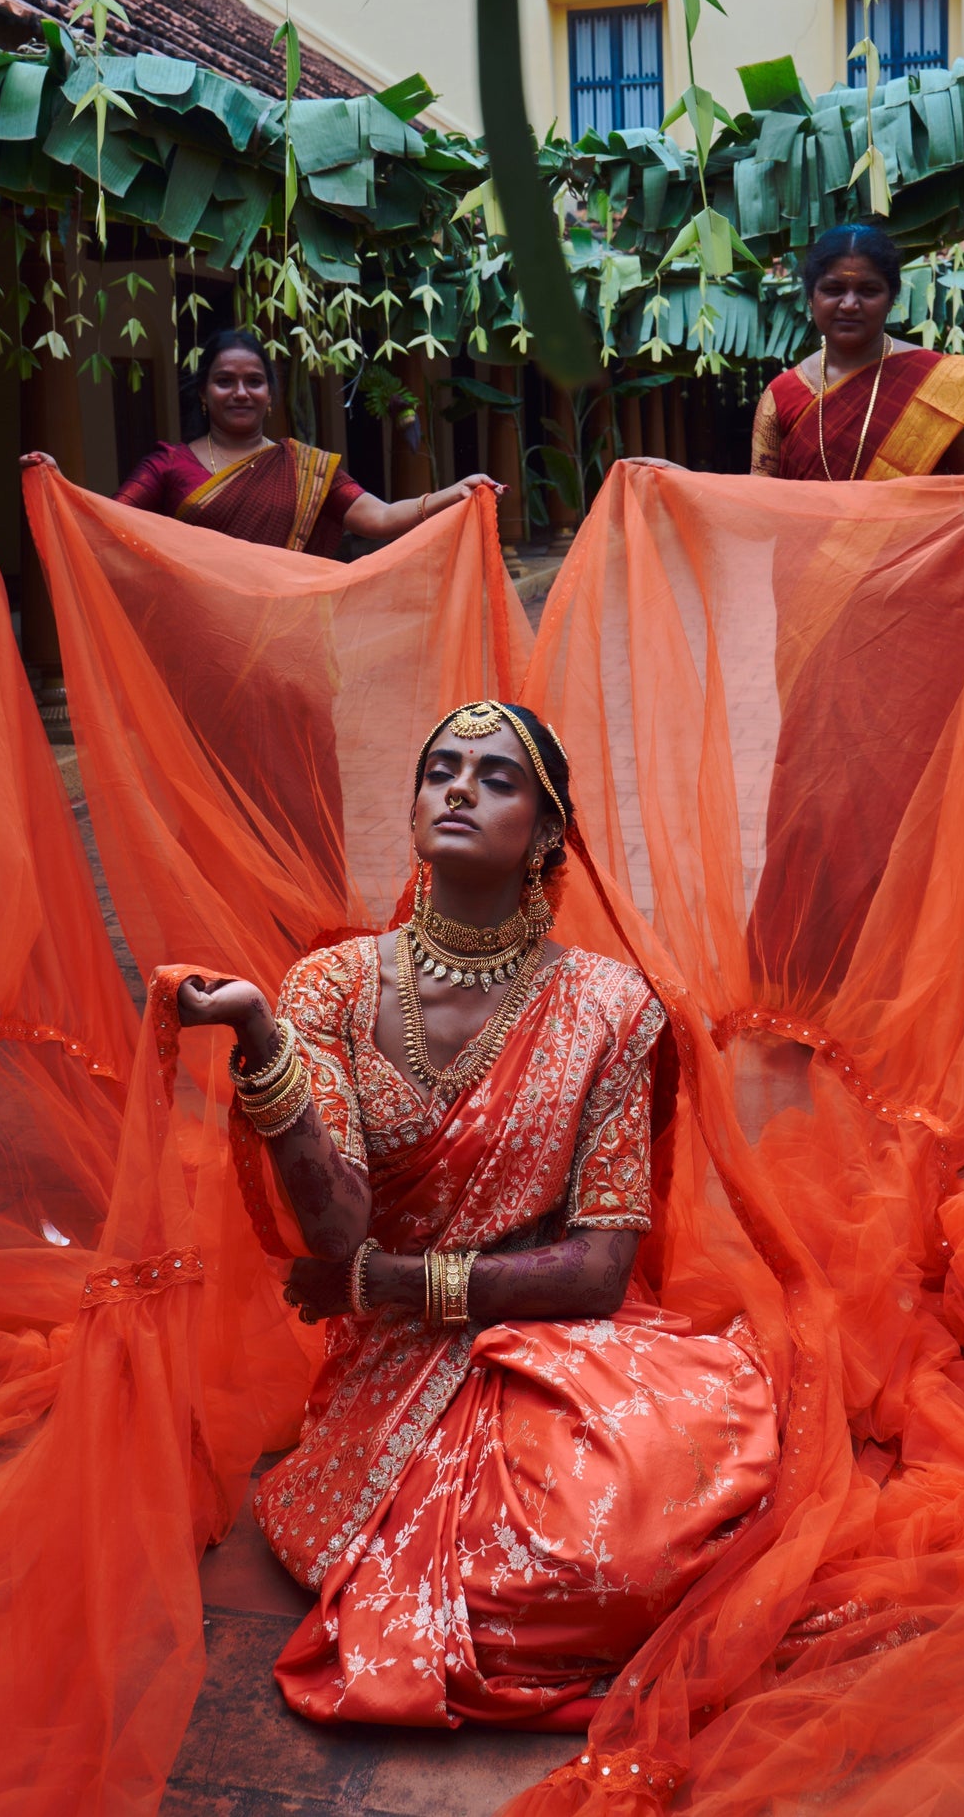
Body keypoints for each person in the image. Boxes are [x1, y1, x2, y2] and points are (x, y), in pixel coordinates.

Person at [176, 699, 779, 1729]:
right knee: (512, 1574)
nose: (459, 788)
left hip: (551, 1335)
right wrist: (263, 1042)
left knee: (629, 1541)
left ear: (546, 835)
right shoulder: (330, 986)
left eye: (497, 779)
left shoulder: (611, 1006)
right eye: (440, 771)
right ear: (415, 807)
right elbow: (336, 1229)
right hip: (388, 1364)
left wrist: (387, 1282)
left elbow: (598, 1270)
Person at [23, 328, 501, 555]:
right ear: (203, 394)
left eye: (254, 381)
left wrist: (453, 493)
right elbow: (109, 523)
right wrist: (60, 487)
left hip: (291, 643)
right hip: (199, 642)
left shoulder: (304, 468)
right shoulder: (168, 465)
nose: (240, 392)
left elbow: (378, 517)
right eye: (224, 381)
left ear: (270, 395)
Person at [750, 223, 964, 479]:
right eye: (833, 289)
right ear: (811, 299)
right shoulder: (782, 396)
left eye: (868, 291)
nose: (849, 304)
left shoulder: (938, 383)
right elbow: (760, 500)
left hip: (918, 528)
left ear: (891, 299)